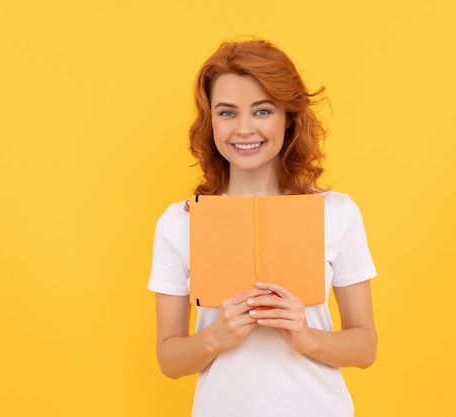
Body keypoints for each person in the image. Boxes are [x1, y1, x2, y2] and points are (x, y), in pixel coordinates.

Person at [148, 39, 377, 417]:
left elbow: (366, 347)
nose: (243, 129)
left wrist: (306, 337)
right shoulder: (180, 222)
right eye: (226, 113)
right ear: (211, 122)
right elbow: (169, 360)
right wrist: (215, 338)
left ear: (287, 117)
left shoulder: (336, 213)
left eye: (262, 110)